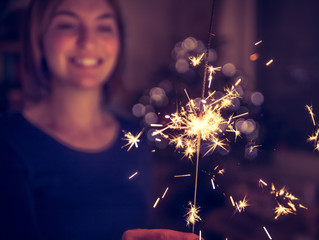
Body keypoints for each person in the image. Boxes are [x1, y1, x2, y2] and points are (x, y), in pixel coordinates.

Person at [0, 0, 201, 239]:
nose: (88, 40)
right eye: (67, 25)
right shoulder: (8, 142)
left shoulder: (133, 137)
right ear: (39, 40)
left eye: (104, 28)